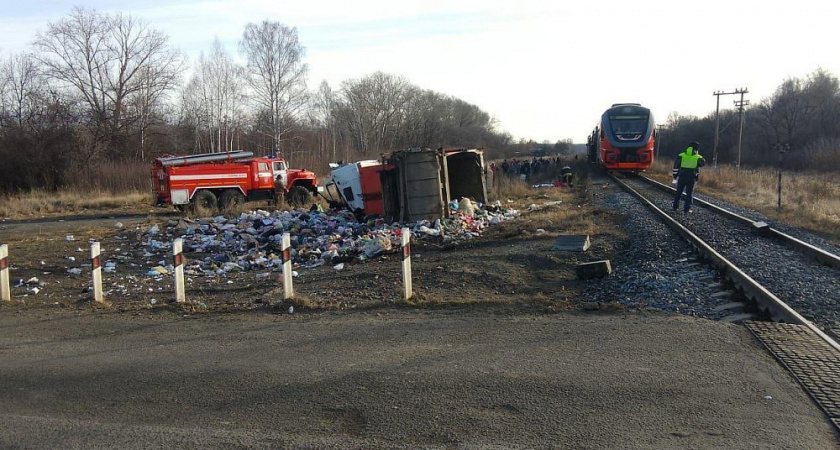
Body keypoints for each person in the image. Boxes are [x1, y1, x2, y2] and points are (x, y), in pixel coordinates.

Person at [671, 141, 705, 213]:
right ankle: (687, 209)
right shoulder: (698, 157)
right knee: (689, 193)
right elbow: (703, 163)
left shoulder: (681, 155)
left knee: (679, 192)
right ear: (696, 149)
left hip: (682, 175)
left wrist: (675, 176)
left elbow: (676, 166)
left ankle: (675, 206)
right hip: (692, 177)